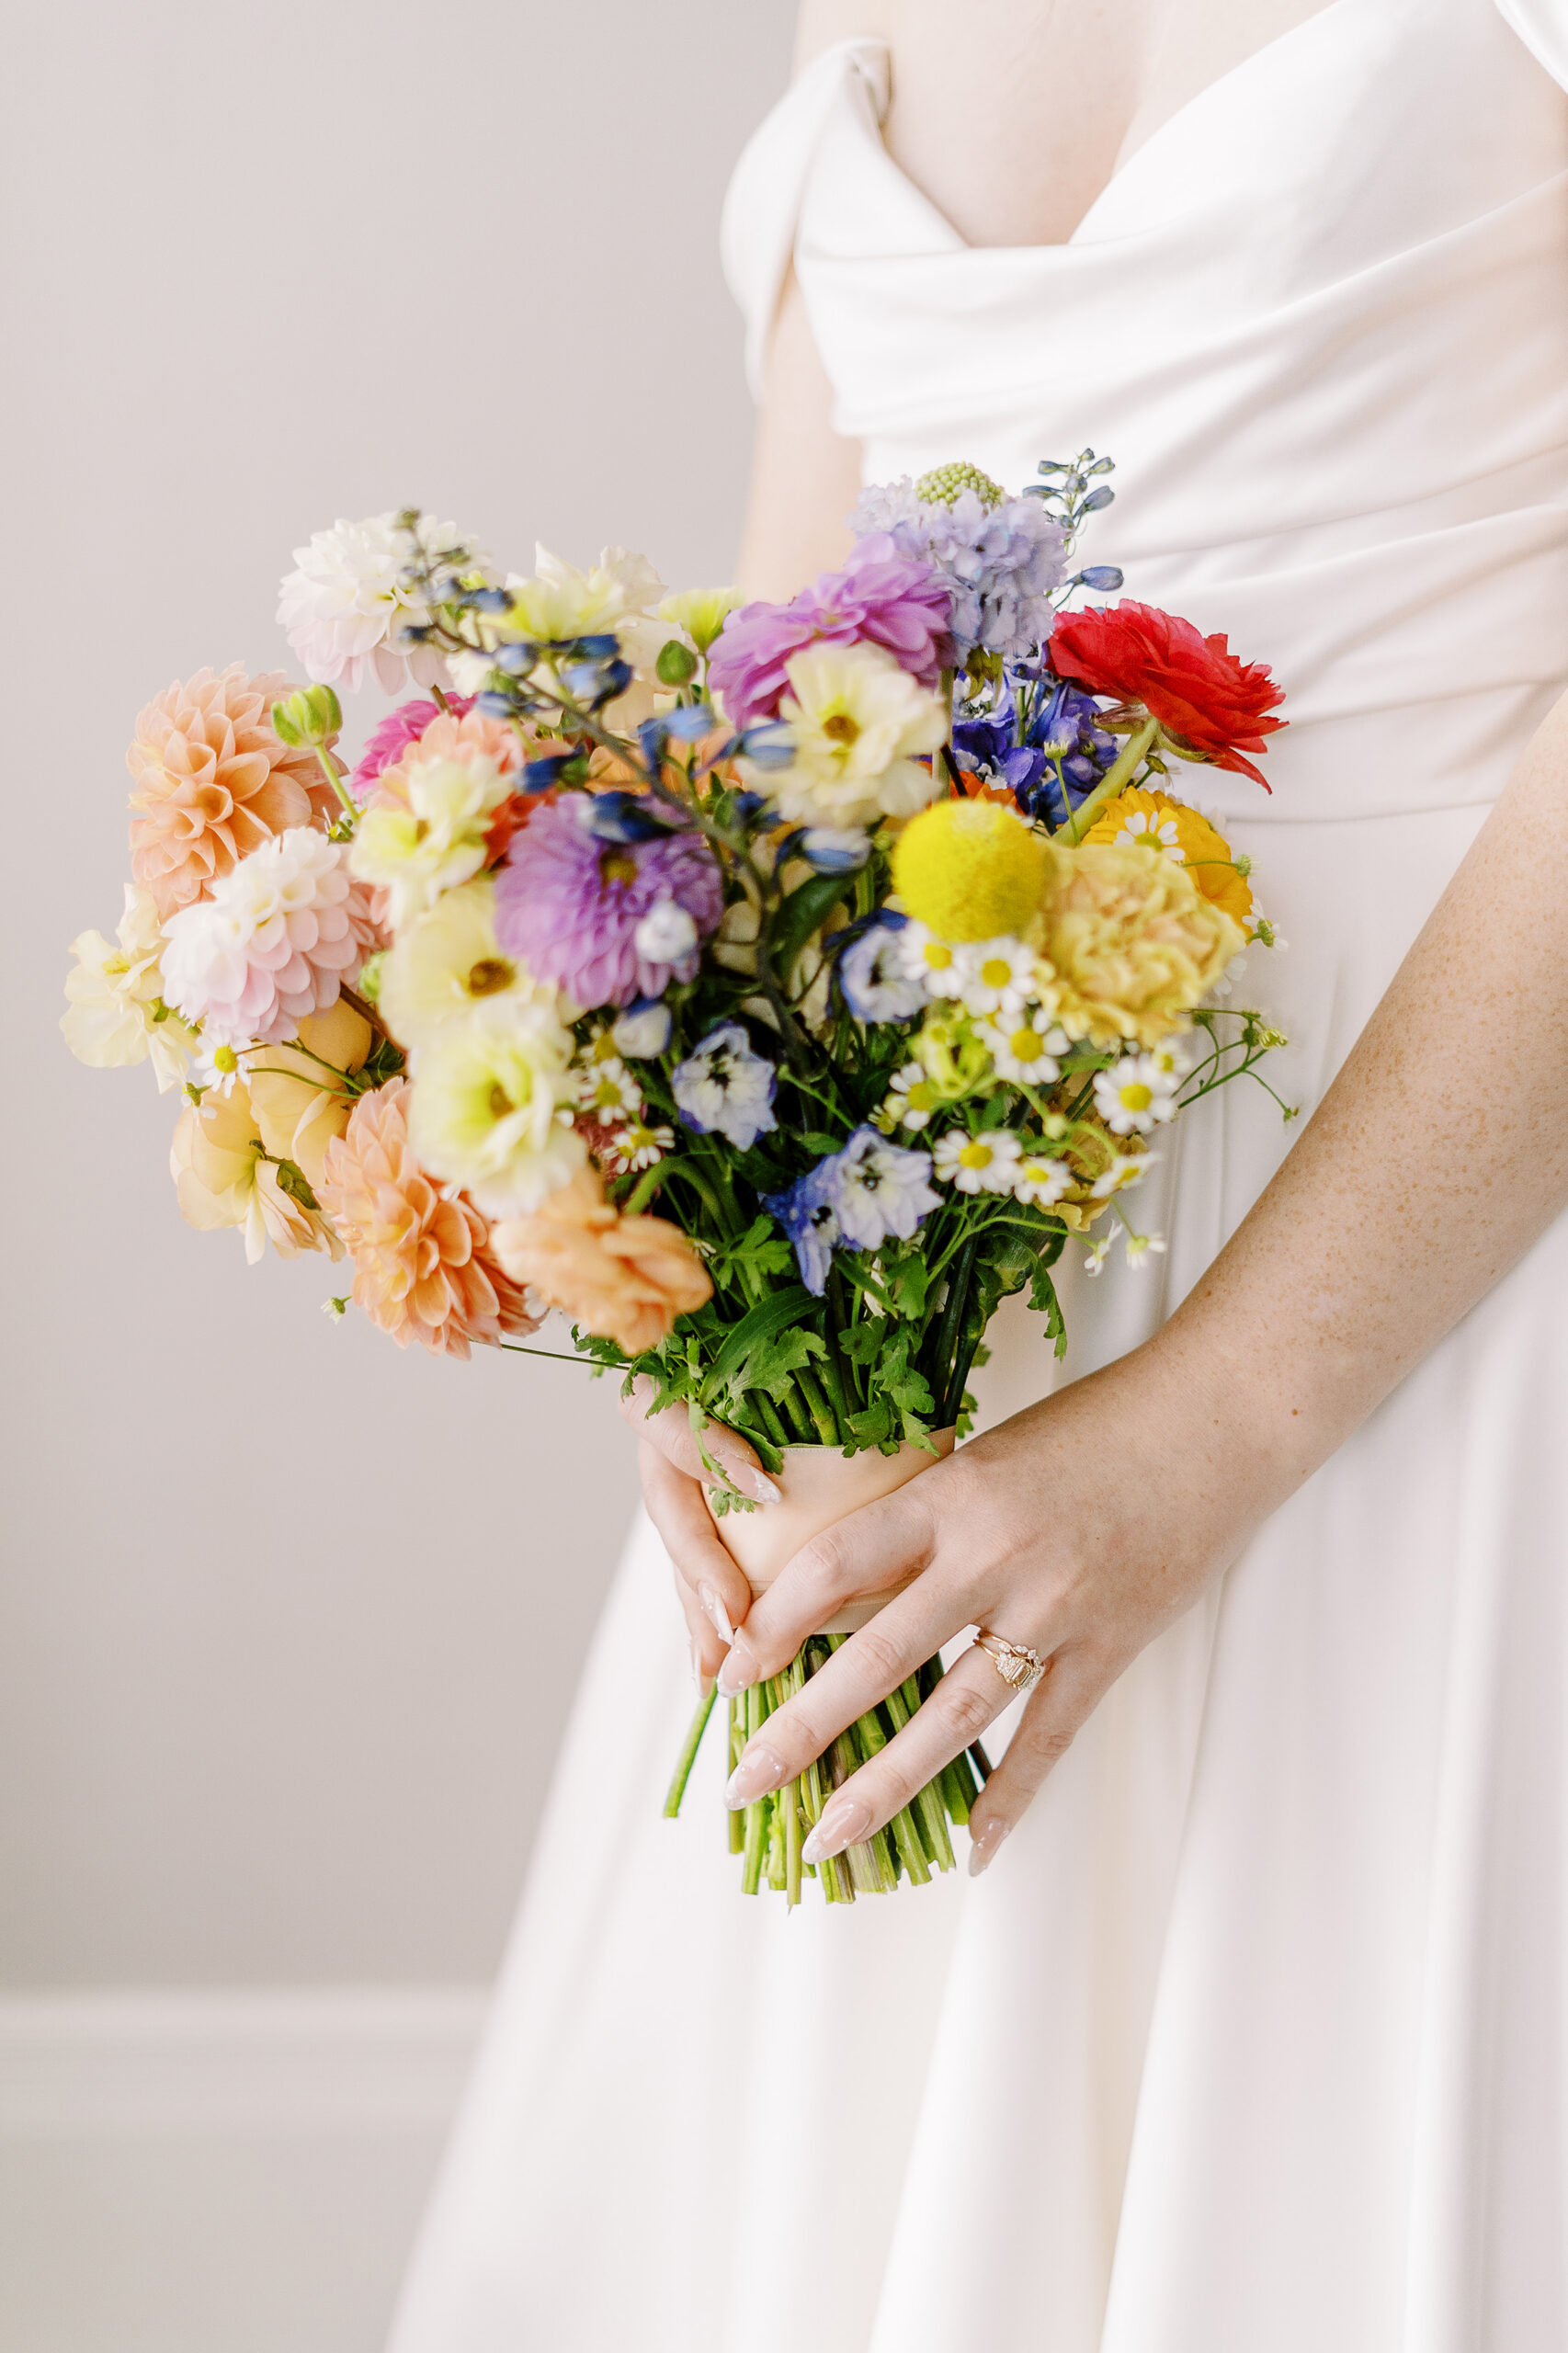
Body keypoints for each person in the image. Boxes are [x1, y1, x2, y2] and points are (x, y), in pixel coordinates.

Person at [388, 5, 1568, 2347]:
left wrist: (1211, 1423)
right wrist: (702, 1263)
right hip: (945, 1239)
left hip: (1447, 1246)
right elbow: (790, 672)